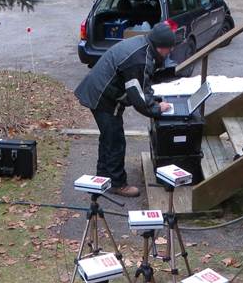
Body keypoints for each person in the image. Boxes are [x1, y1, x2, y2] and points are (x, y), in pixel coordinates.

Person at [75, 22, 175, 197]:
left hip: (99, 90)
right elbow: (138, 98)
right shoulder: (140, 59)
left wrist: (154, 100)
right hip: (103, 96)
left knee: (108, 137)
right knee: (115, 140)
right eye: (170, 48)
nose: (171, 51)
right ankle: (117, 184)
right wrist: (156, 108)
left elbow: (142, 83)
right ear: (161, 47)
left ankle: (103, 179)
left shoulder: (144, 45)